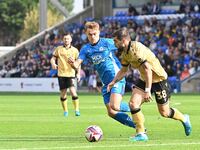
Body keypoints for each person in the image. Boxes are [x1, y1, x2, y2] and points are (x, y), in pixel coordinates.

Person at [107, 27, 192, 142]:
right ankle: (141, 133)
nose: (114, 43)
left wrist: (148, 90)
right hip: (144, 79)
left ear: (123, 40)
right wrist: (113, 82)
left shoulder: (137, 49)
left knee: (164, 112)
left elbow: (147, 69)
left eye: (116, 41)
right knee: (133, 103)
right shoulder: (125, 53)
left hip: (159, 80)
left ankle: (184, 118)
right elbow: (123, 70)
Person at [68, 21, 135, 128]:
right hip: (105, 82)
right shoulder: (86, 49)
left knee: (115, 106)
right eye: (90, 34)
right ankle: (136, 126)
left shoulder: (107, 42)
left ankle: (134, 106)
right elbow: (77, 64)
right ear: (86, 33)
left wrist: (130, 60)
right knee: (111, 112)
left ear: (99, 32)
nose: (92, 36)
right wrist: (72, 64)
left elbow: (125, 45)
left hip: (116, 77)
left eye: (94, 34)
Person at [50, 32, 81, 117]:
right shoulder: (59, 49)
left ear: (71, 40)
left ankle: (77, 110)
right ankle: (65, 111)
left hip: (71, 74)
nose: (66, 40)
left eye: (68, 38)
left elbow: (79, 63)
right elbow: (53, 59)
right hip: (61, 74)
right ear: (63, 40)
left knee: (72, 91)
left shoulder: (75, 50)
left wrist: (78, 73)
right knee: (63, 93)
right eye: (65, 39)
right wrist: (53, 63)